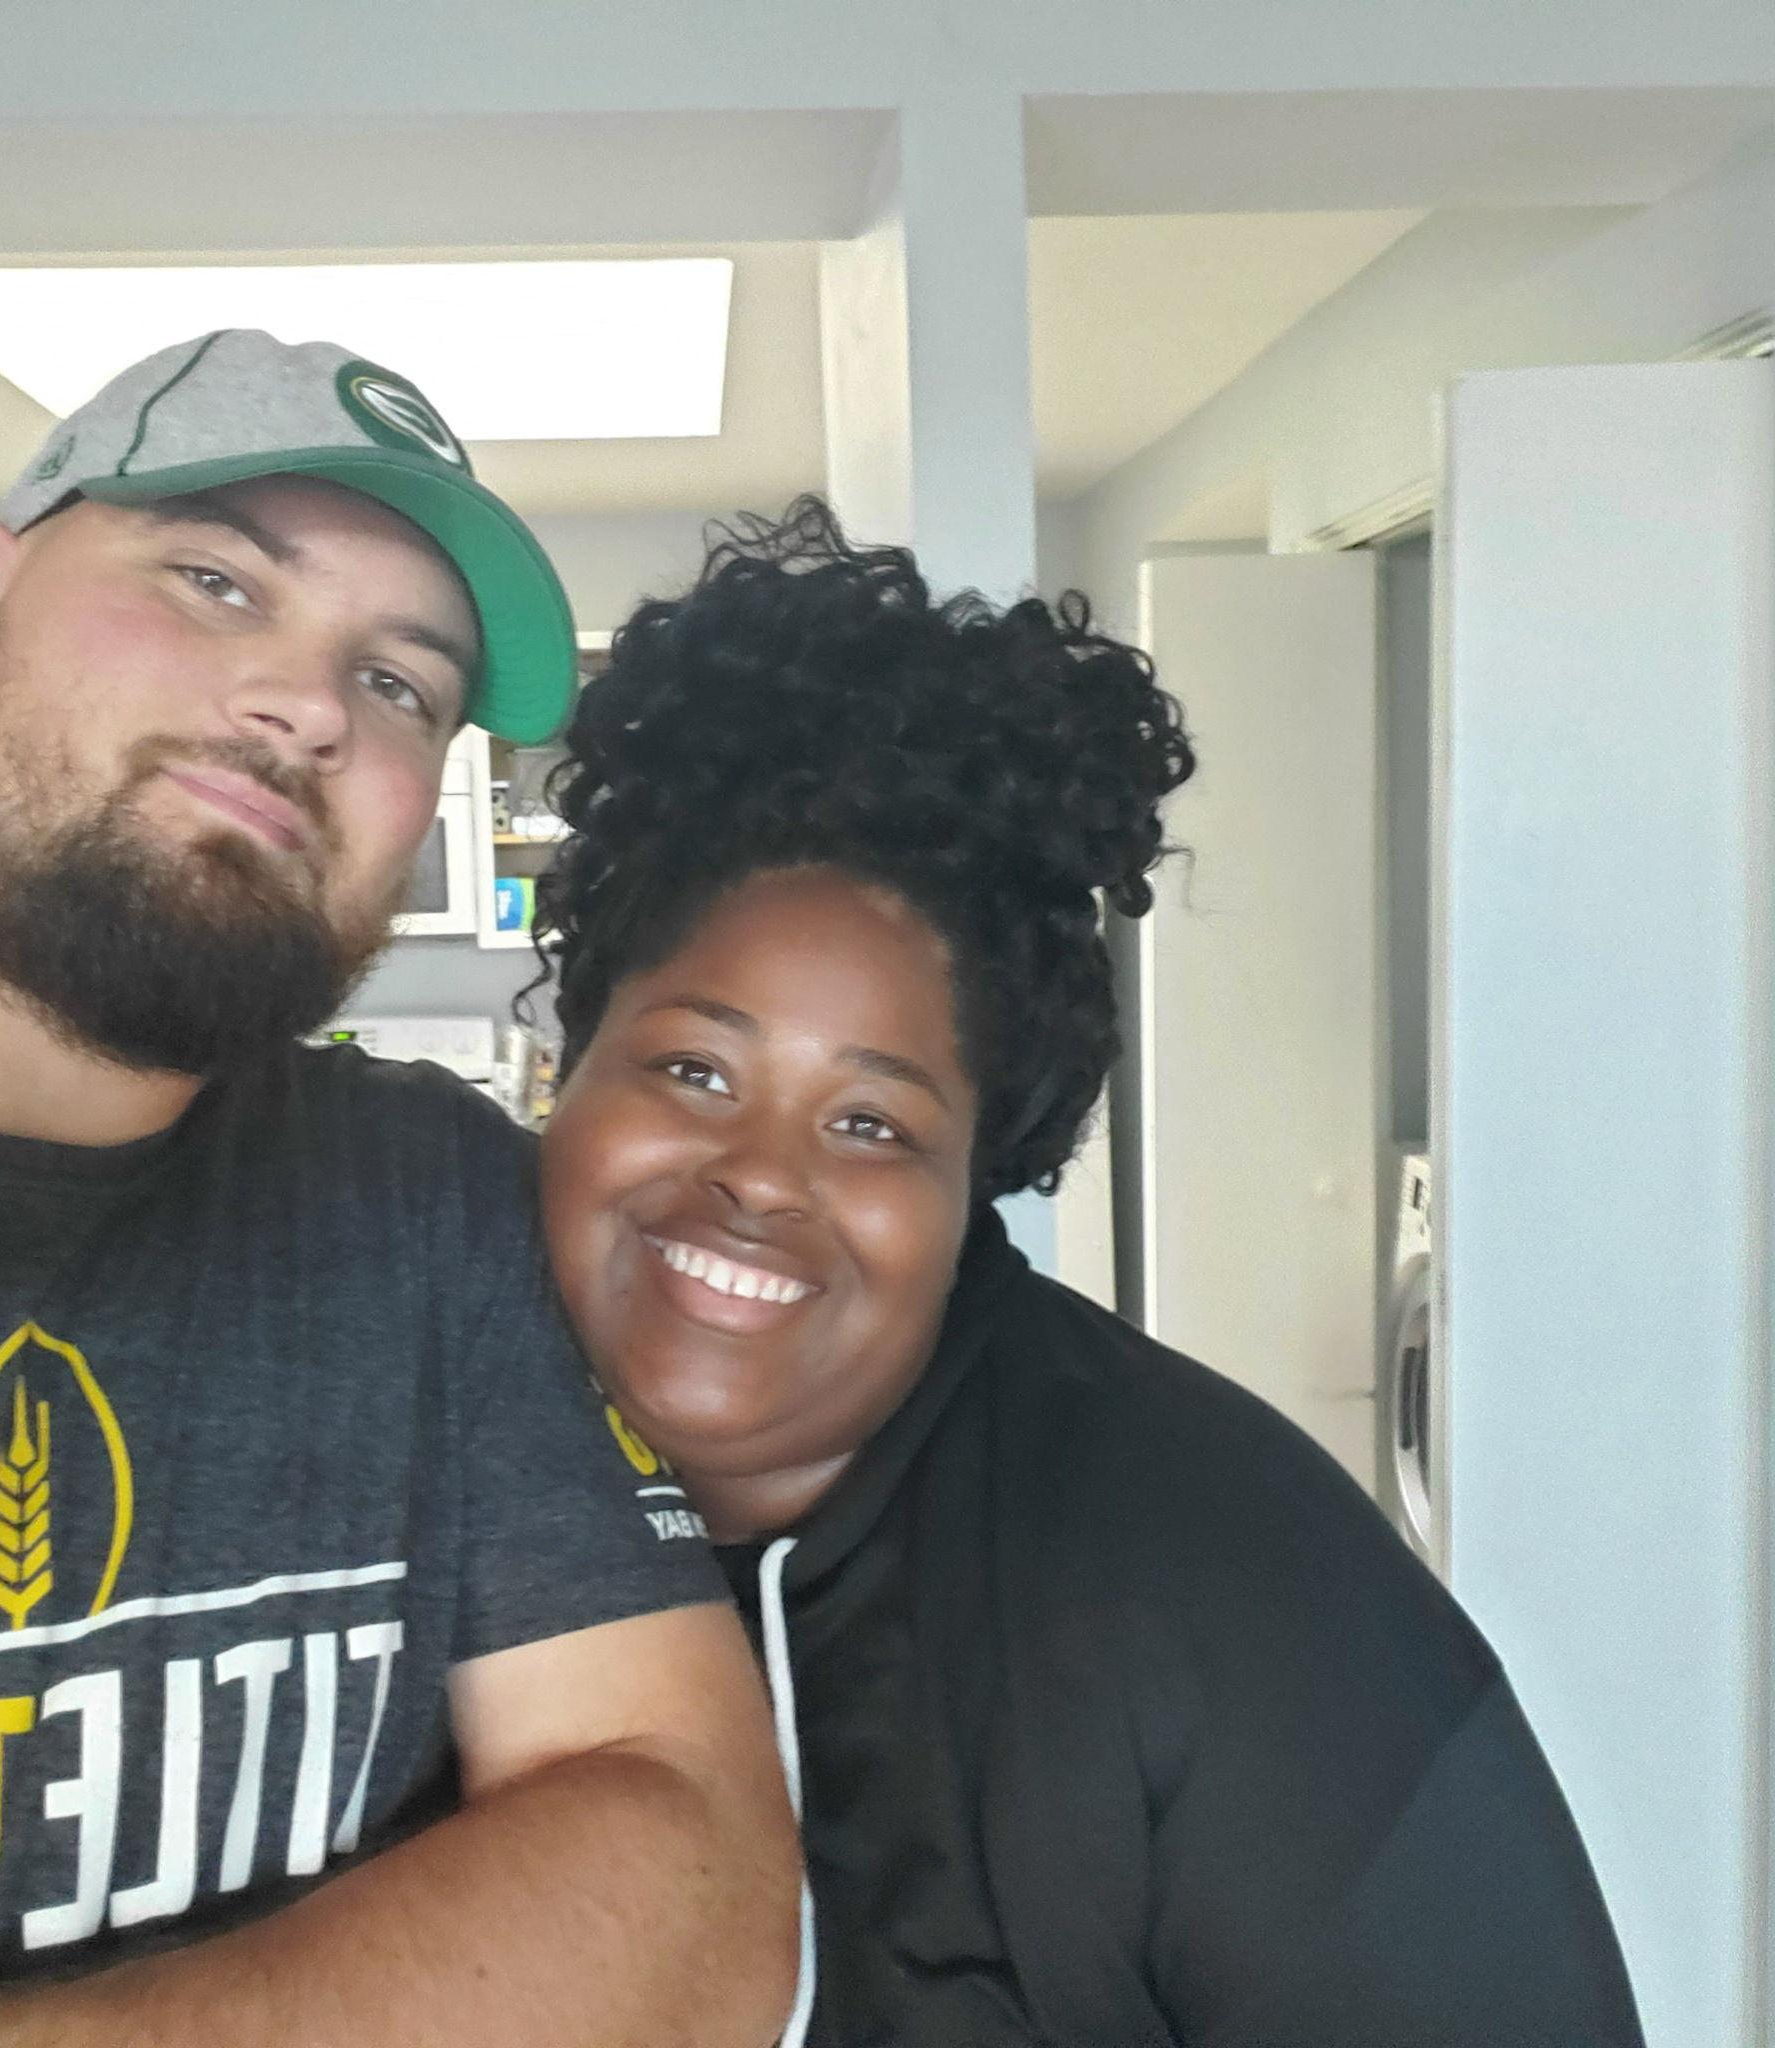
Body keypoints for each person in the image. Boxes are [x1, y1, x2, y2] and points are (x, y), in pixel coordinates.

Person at [0, 330, 798, 2045]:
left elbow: (696, 1875)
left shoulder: (437, 1203)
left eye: (400, 685)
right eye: (216, 581)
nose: (309, 706)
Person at [534, 499, 1646, 2048]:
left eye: (872, 1122)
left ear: (977, 1172)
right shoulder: (425, 1451)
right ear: (570, 1063)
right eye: (695, 1070)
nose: (763, 1174)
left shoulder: (1230, 1587)